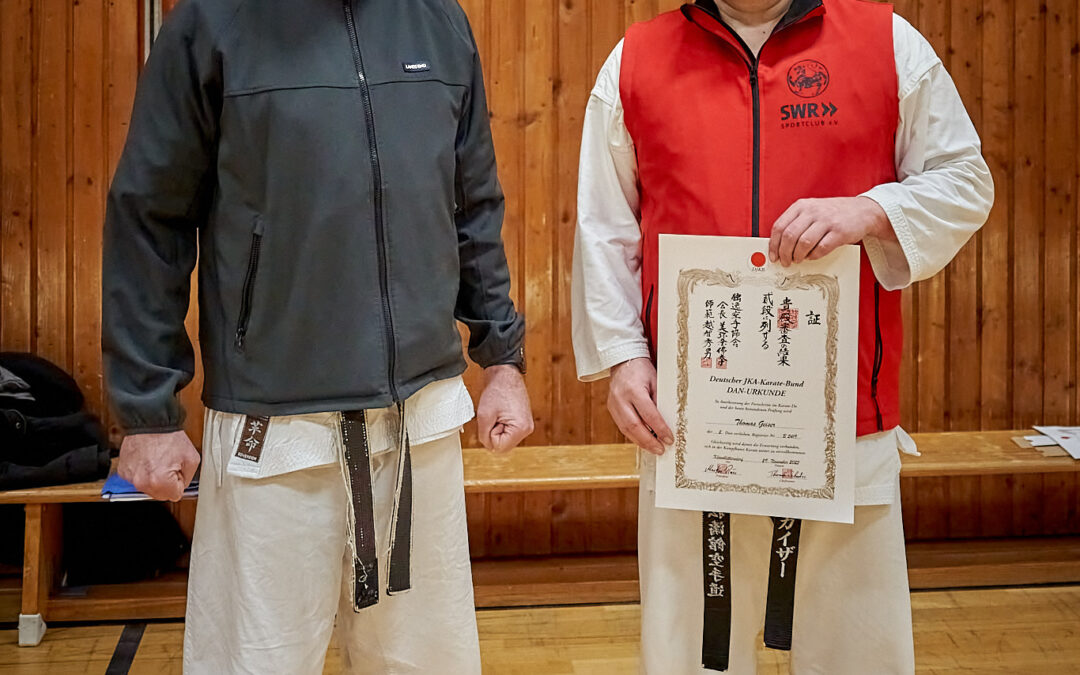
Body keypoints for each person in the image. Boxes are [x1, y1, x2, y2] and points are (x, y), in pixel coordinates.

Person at [102, 1, 532, 673]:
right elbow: (147, 219)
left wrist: (502, 356)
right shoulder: (212, 24)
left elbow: (472, 200)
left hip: (417, 424)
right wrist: (147, 411)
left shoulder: (436, 20)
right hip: (273, 432)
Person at [572, 0, 993, 672]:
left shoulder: (887, 44)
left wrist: (873, 208)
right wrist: (623, 356)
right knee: (691, 655)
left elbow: (965, 180)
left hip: (843, 418)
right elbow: (605, 227)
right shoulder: (635, 61)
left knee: (858, 653)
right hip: (691, 424)